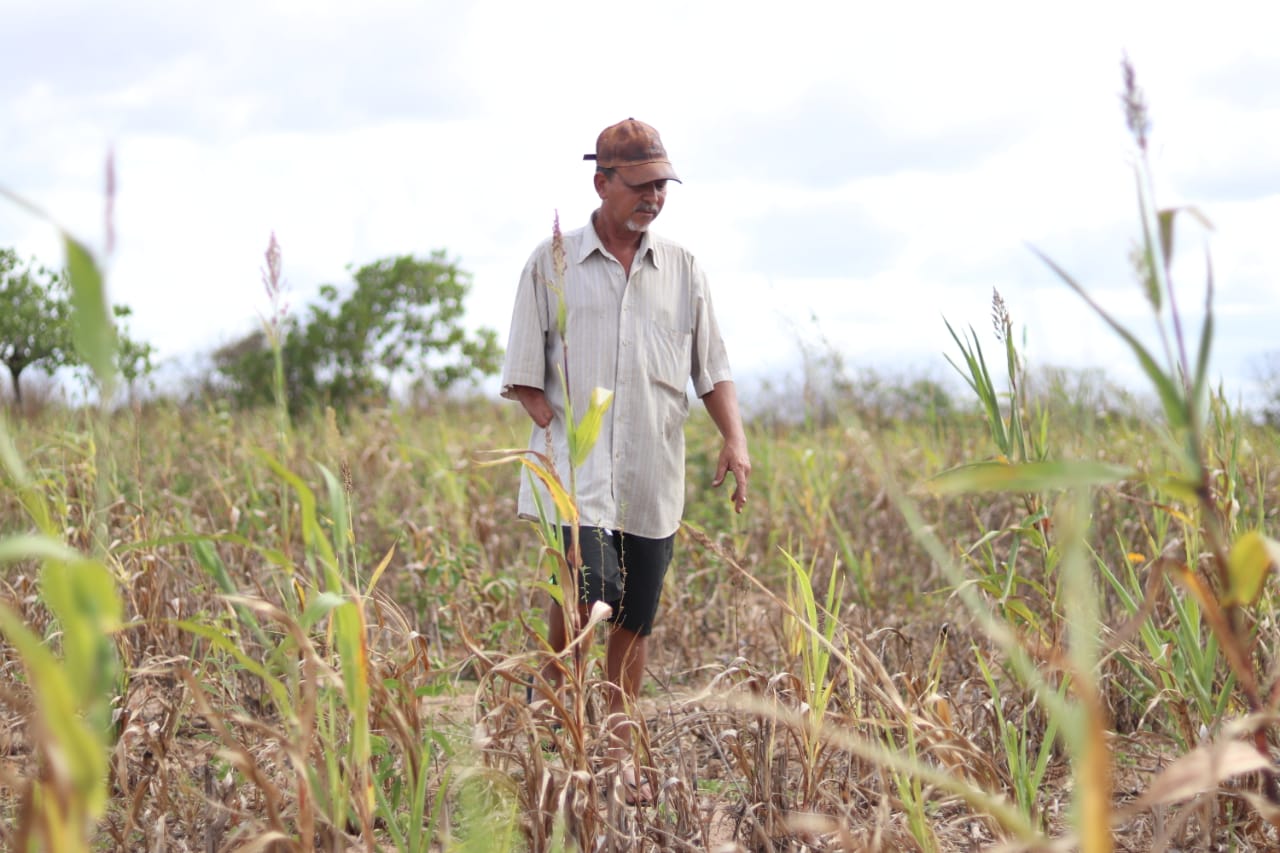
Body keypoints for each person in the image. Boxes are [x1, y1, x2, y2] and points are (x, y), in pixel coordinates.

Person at [501, 117, 750, 802]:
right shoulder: (550, 263)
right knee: (592, 593)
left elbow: (712, 368)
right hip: (575, 472)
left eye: (661, 185)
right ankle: (558, 714)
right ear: (601, 182)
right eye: (640, 185)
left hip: (652, 474)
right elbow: (524, 372)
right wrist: (560, 431)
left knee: (636, 610)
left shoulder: (683, 269)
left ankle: (612, 739)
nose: (654, 198)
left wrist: (735, 438)